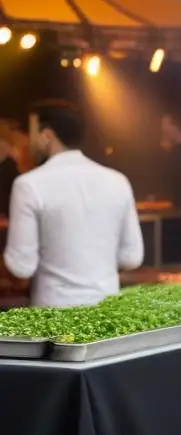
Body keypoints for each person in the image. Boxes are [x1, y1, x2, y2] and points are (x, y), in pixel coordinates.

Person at [3, 101, 144, 307]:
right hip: (107, 310)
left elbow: (21, 266)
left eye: (33, 134)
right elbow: (132, 257)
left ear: (47, 136)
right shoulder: (117, 180)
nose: (29, 142)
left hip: (53, 312)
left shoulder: (29, 185)